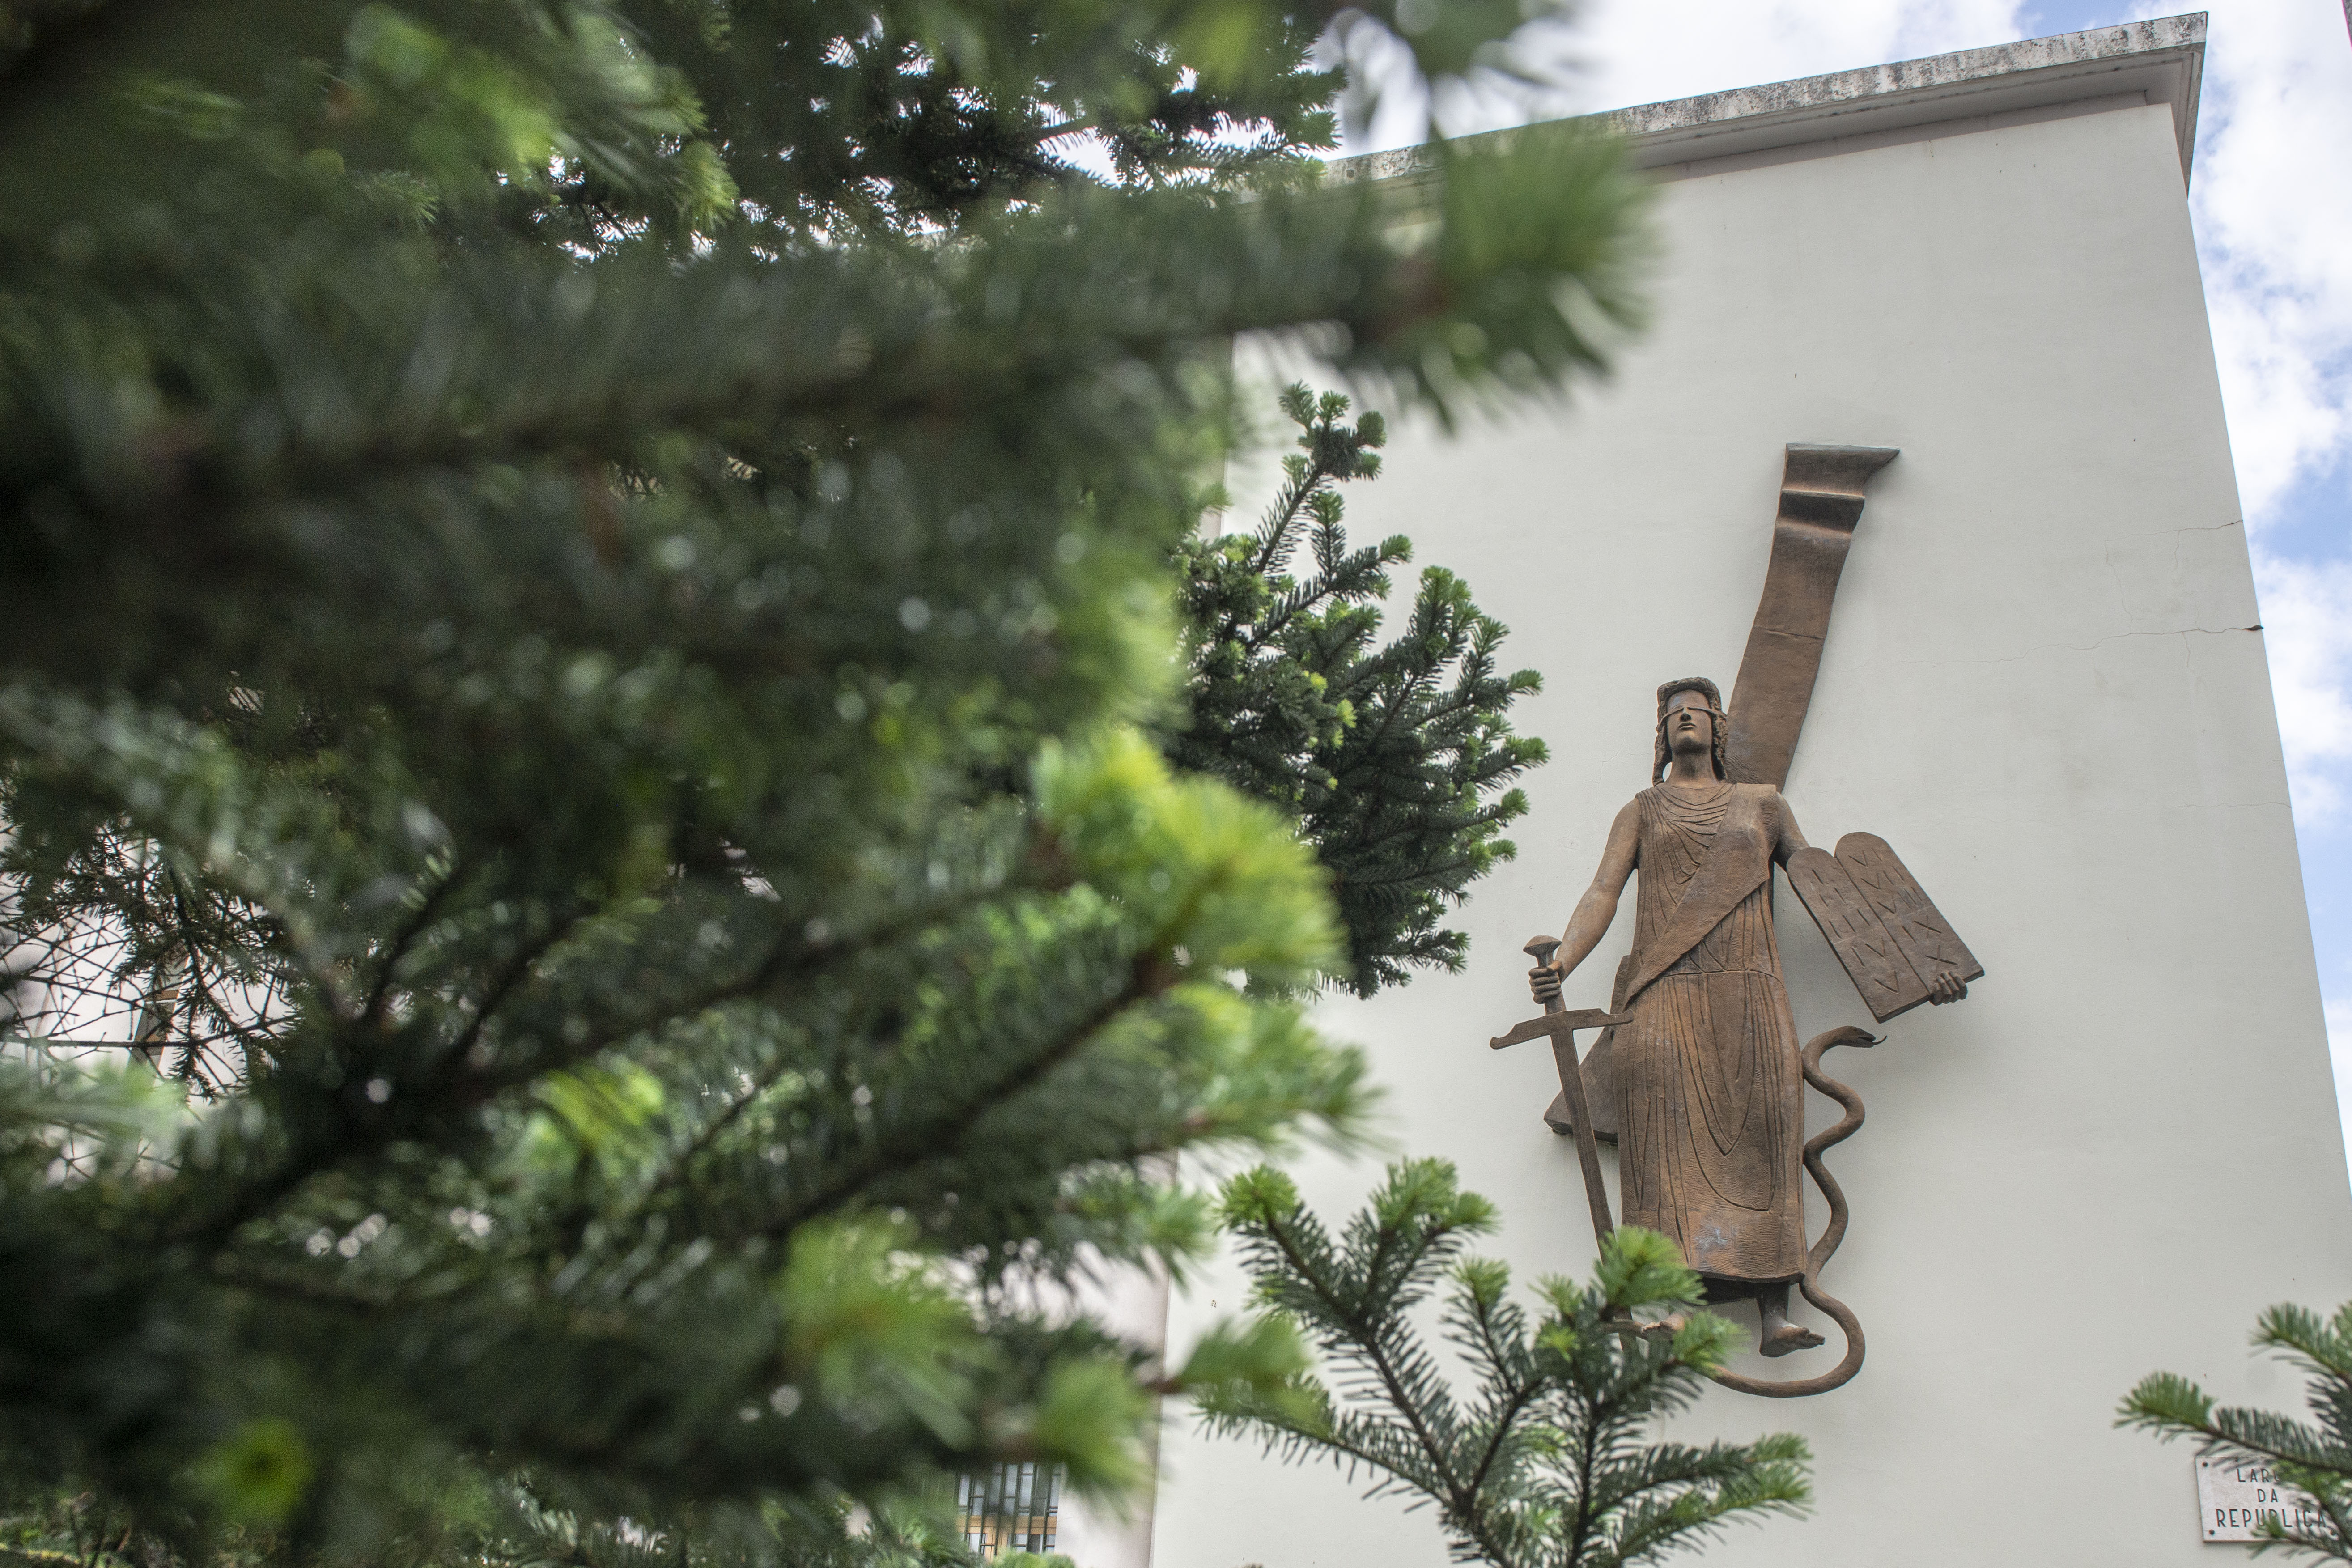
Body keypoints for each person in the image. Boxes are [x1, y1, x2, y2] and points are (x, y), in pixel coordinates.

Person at [1529, 677, 1961, 1355]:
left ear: (1718, 728)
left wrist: (1920, 970)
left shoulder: (1763, 805)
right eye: (1673, 716)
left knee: (1765, 1140)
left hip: (1751, 991)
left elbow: (1828, 892)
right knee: (1664, 1150)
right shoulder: (1642, 809)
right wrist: (1563, 961)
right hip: (1665, 994)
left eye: (1696, 712)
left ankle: (1773, 1313)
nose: (1684, 721)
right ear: (1661, 736)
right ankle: (1675, 1306)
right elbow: (1603, 891)